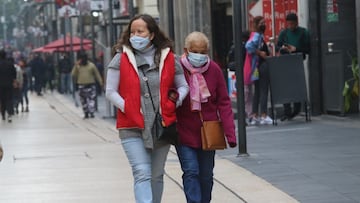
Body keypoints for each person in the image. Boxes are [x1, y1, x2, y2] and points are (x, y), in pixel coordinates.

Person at [105, 14, 189, 203]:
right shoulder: (121, 58)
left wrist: (174, 102)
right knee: (142, 172)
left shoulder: (169, 58)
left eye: (140, 31)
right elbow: (110, 91)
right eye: (132, 31)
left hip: (161, 124)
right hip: (132, 126)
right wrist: (128, 107)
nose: (135, 35)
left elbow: (183, 86)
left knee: (157, 174)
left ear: (151, 34)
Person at [175, 31, 237, 203]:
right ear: (186, 50)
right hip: (184, 131)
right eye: (195, 51)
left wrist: (230, 134)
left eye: (203, 52)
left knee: (206, 176)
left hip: (209, 131)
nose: (199, 56)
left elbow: (224, 102)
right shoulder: (177, 68)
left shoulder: (214, 69)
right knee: (191, 171)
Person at [276, 12, 310, 121]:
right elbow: (278, 46)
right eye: (288, 24)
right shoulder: (284, 33)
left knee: (297, 87)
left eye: (292, 24)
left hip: (297, 62)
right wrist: (283, 49)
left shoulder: (303, 33)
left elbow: (308, 49)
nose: (290, 26)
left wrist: (296, 49)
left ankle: (296, 109)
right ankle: (287, 111)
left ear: (296, 23)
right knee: (286, 87)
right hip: (286, 63)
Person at [245, 16, 273, 125]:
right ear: (257, 24)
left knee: (257, 91)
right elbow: (248, 47)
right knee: (263, 90)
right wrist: (260, 53)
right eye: (261, 23)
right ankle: (264, 115)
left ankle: (255, 114)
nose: (264, 24)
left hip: (256, 67)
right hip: (260, 66)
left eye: (264, 22)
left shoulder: (257, 35)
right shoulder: (257, 35)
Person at [71, 51, 103, 119]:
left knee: (91, 100)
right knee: (83, 100)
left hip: (90, 85)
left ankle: (91, 112)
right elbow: (73, 74)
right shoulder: (78, 66)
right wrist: (76, 66)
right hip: (81, 85)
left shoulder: (91, 65)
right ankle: (86, 113)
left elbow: (97, 74)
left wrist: (100, 82)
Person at [0, 50, 16, 122]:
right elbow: (14, 74)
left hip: (0, 85)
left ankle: (3, 114)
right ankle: (9, 114)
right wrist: (14, 82)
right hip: (9, 84)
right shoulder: (10, 64)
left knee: (2, 100)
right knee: (9, 99)